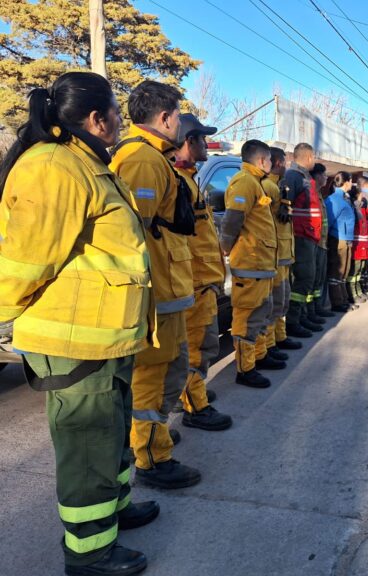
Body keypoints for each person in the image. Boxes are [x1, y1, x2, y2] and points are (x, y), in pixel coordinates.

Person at [0, 72, 154, 576]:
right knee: (88, 446)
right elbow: (25, 261)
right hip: (75, 341)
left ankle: (113, 510)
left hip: (105, 338)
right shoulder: (54, 166)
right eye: (116, 112)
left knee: (110, 435)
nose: (120, 121)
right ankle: (89, 552)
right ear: (96, 119)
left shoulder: (86, 163)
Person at [111, 80, 201, 490]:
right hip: (157, 294)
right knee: (154, 376)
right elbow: (135, 235)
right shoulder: (143, 160)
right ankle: (150, 457)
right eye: (178, 117)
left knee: (170, 369)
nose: (180, 125)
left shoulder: (154, 158)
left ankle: (153, 439)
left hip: (169, 289)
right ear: (164, 118)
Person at [172, 114, 232, 432]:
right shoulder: (177, 181)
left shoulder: (188, 179)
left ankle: (191, 395)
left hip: (203, 281)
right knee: (196, 348)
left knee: (202, 346)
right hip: (193, 283)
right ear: (188, 141)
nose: (206, 144)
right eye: (202, 139)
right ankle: (195, 407)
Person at [220, 139, 280, 386]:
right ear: (261, 160)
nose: (272, 163)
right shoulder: (244, 181)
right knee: (246, 318)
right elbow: (232, 220)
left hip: (261, 265)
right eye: (270, 159)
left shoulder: (256, 182)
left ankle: (259, 356)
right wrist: (225, 248)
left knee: (260, 314)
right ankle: (245, 370)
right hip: (250, 264)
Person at [263, 146, 302, 357]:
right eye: (285, 162)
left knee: (282, 300)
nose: (287, 166)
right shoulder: (267, 186)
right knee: (275, 301)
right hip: (275, 254)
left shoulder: (280, 186)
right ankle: (270, 344)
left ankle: (280, 336)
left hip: (285, 253)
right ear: (278, 163)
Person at [279, 143, 320, 338]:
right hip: (301, 236)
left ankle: (302, 316)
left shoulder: (304, 177)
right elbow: (285, 207)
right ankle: (293, 321)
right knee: (304, 277)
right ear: (309, 157)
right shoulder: (293, 176)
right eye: (314, 157)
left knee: (308, 278)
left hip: (309, 235)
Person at [325, 171, 356, 312]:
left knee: (344, 271)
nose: (352, 184)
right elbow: (330, 220)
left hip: (346, 238)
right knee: (337, 271)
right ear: (346, 182)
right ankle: (337, 302)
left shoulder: (344, 197)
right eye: (351, 181)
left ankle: (343, 299)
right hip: (338, 238)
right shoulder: (335, 199)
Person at [309, 162, 333, 323]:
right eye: (324, 175)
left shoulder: (318, 194)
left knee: (319, 279)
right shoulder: (311, 193)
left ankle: (317, 308)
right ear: (317, 176)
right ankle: (309, 312)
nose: (326, 178)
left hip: (322, 243)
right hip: (315, 243)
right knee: (311, 280)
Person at [348, 185, 368, 303]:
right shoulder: (354, 208)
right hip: (357, 245)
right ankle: (352, 293)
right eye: (361, 194)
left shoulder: (361, 208)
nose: (363, 196)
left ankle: (358, 291)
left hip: (363, 244)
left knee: (360, 269)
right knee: (355, 270)